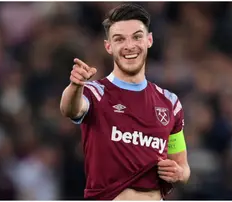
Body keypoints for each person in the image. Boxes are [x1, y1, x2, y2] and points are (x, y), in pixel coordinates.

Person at [60, 3, 190, 200]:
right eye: (120, 39)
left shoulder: (170, 103)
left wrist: (180, 174)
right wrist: (75, 86)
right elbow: (70, 109)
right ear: (108, 46)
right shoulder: (95, 93)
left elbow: (182, 166)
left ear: (149, 40)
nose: (130, 46)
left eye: (137, 37)